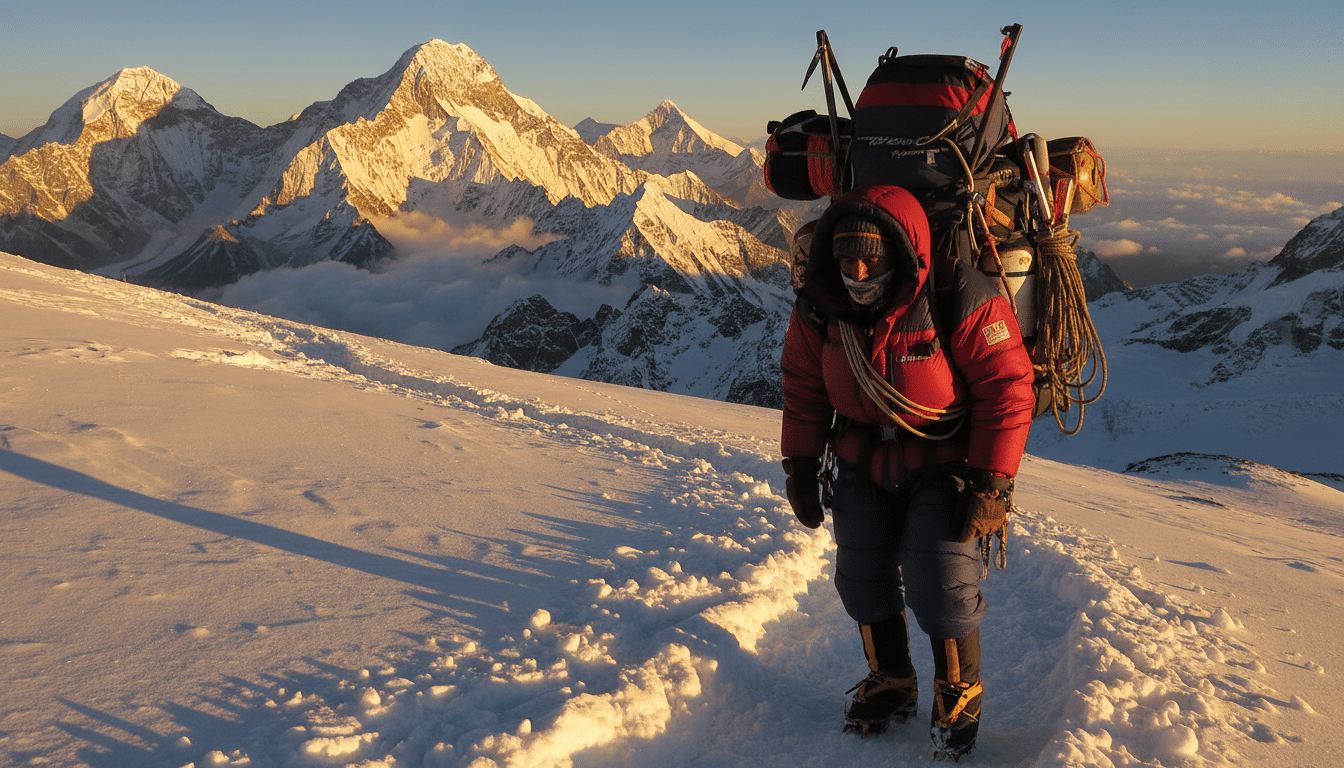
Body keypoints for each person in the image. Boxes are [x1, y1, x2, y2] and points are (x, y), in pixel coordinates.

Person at [779, 184, 1035, 760]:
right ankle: (891, 679)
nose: (857, 271)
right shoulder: (821, 305)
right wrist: (800, 464)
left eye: (870, 258)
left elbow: (1008, 387)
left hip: (945, 463)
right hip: (862, 458)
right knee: (861, 576)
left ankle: (958, 693)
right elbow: (804, 387)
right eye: (846, 258)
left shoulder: (955, 295)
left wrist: (994, 481)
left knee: (941, 581)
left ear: (900, 252)